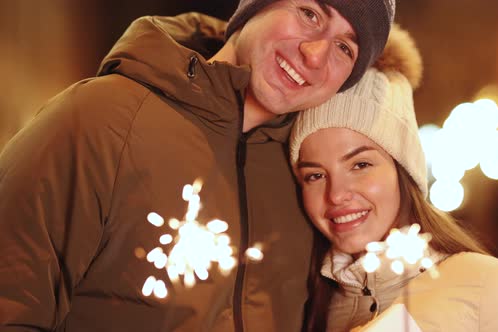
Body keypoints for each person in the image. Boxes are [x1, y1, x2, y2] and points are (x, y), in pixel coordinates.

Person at [0, 1, 396, 331]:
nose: (315, 55)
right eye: (309, 13)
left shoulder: (308, 176)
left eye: (345, 48)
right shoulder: (99, 120)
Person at [289, 25, 498, 331]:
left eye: (361, 164)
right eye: (314, 175)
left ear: (403, 170)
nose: (336, 194)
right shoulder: (311, 308)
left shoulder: (488, 286)